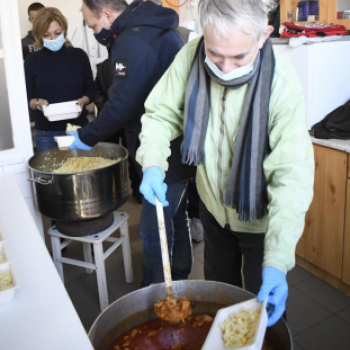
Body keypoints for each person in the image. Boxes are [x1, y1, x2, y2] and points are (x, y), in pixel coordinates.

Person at [136, 0, 314, 327]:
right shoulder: (190, 56)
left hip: (261, 220)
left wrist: (276, 262)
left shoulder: (281, 84)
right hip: (213, 210)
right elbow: (161, 114)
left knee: (264, 318)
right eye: (215, 55)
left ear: (264, 36)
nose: (225, 68)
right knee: (222, 303)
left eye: (239, 57)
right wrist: (152, 163)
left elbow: (291, 178)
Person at [70, 0, 194, 286]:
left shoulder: (131, 41)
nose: (95, 32)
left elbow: (122, 105)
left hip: (161, 149)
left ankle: (156, 293)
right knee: (177, 216)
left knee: (155, 229)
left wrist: (86, 136)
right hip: (180, 143)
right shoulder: (158, 27)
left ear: (107, 14)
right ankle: (181, 276)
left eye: (94, 25)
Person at [24, 7, 96, 152]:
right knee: (51, 173)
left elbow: (91, 90)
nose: (53, 39)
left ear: (64, 29)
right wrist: (38, 104)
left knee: (82, 170)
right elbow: (28, 98)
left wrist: (84, 100)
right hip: (47, 132)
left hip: (78, 129)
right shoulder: (32, 60)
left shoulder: (78, 56)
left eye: (57, 33)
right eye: (47, 35)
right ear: (39, 35)